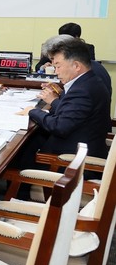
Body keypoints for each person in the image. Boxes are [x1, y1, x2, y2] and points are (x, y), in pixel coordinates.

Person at [16, 36, 111, 173]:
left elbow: (59, 126)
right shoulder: (89, 81)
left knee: (18, 153)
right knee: (30, 140)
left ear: (76, 66)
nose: (56, 72)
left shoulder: (82, 90)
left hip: (72, 161)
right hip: (81, 143)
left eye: (58, 66)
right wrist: (60, 96)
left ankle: (20, 183)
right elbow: (72, 112)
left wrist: (32, 111)